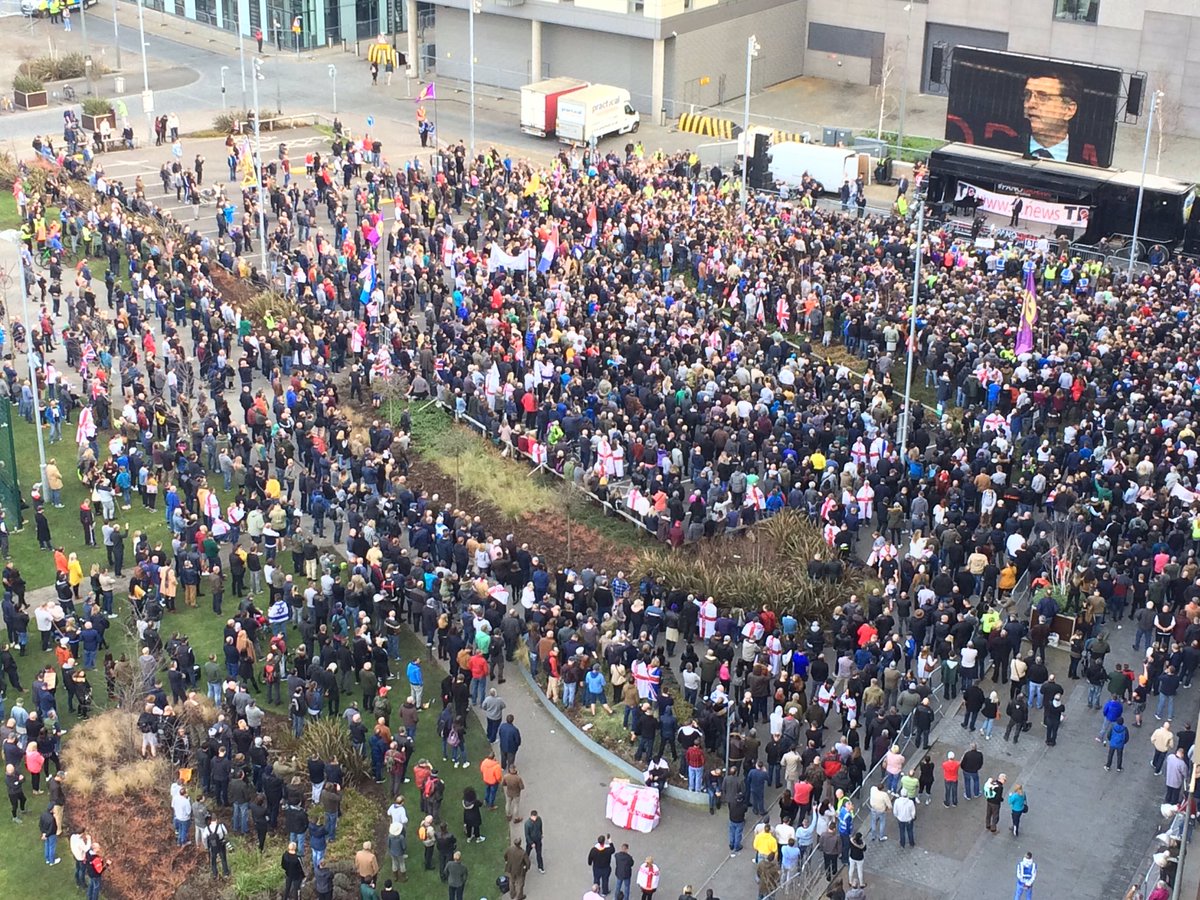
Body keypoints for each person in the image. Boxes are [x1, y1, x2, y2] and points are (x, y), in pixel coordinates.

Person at [1022, 70, 1083, 162]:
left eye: (1043, 96)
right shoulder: (1004, 147)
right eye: (1027, 95)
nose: (1030, 104)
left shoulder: (1089, 160)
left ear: (1069, 110)